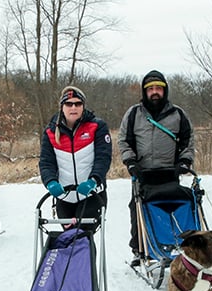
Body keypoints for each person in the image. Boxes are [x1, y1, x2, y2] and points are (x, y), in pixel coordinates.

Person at [117, 70, 196, 266]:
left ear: (165, 90)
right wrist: (131, 162)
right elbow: (124, 141)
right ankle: (140, 248)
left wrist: (185, 161)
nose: (154, 92)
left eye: (158, 89)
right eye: (150, 89)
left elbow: (188, 141)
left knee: (171, 209)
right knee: (137, 209)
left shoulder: (178, 114)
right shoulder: (134, 114)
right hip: (142, 173)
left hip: (170, 172)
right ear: (145, 92)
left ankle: (173, 245)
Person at [38, 85, 112, 226]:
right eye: (69, 104)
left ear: (83, 106)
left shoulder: (97, 126)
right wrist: (50, 181)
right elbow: (46, 162)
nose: (73, 108)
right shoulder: (50, 132)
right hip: (64, 196)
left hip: (92, 194)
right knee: (68, 239)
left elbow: (103, 158)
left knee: (83, 236)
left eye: (78, 104)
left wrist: (94, 180)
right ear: (62, 107)